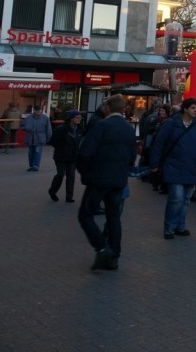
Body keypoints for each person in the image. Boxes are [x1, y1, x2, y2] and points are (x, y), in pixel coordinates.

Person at [76, 94, 135, 271]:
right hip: (118, 179)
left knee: (85, 215)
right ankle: (114, 257)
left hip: (99, 178)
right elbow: (132, 155)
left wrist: (85, 172)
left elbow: (86, 152)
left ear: (108, 108)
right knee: (113, 217)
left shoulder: (102, 125)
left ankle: (102, 247)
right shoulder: (128, 128)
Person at [150, 97, 196, 240]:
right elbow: (159, 144)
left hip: (192, 165)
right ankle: (169, 227)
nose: (195, 110)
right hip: (174, 165)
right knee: (176, 197)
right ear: (185, 109)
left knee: (186, 199)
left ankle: (180, 226)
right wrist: (154, 164)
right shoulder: (171, 124)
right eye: (193, 108)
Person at [49, 110, 84, 202]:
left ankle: (69, 196)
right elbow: (53, 141)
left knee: (71, 176)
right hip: (61, 157)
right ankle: (52, 191)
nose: (79, 119)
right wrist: (62, 148)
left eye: (80, 118)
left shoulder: (80, 129)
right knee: (60, 175)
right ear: (71, 118)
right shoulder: (61, 129)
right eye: (77, 117)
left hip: (73, 157)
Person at [21, 105, 52, 172]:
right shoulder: (28, 118)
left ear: (41, 110)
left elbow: (48, 129)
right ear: (34, 110)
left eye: (39, 110)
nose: (38, 111)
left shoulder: (45, 118)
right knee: (30, 153)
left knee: (37, 151)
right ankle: (31, 165)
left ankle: (35, 166)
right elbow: (22, 126)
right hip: (30, 138)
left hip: (40, 138)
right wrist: (26, 128)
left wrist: (48, 138)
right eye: (36, 110)